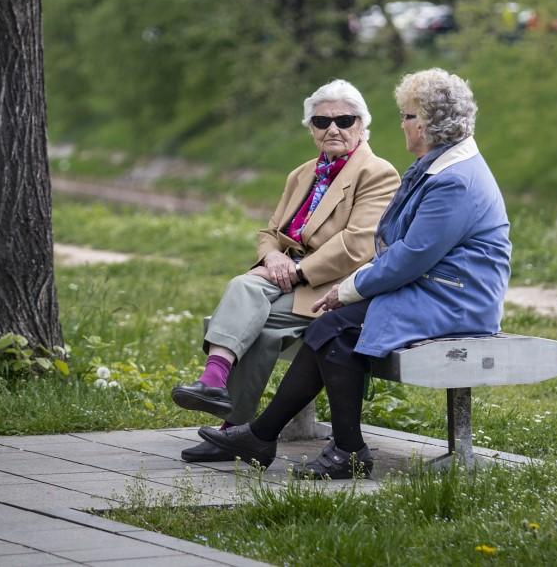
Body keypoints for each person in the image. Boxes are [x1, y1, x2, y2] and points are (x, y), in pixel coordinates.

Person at [199, 68, 511, 479]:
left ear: (428, 123)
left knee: (334, 327)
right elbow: (398, 247)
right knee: (331, 328)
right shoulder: (439, 166)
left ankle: (331, 447)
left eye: (407, 116)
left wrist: (349, 289)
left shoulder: (454, 180)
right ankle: (285, 438)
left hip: (455, 297)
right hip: (431, 288)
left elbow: (411, 256)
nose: (401, 124)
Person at [171, 79, 399, 462]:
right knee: (254, 311)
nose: (333, 129)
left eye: (344, 119)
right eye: (321, 121)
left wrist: (294, 271)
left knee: (250, 302)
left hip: (332, 289)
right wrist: (274, 257)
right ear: (310, 129)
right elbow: (270, 232)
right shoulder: (303, 173)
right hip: (287, 280)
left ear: (362, 125)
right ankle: (233, 424)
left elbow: (357, 246)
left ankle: (219, 393)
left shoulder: (377, 173)